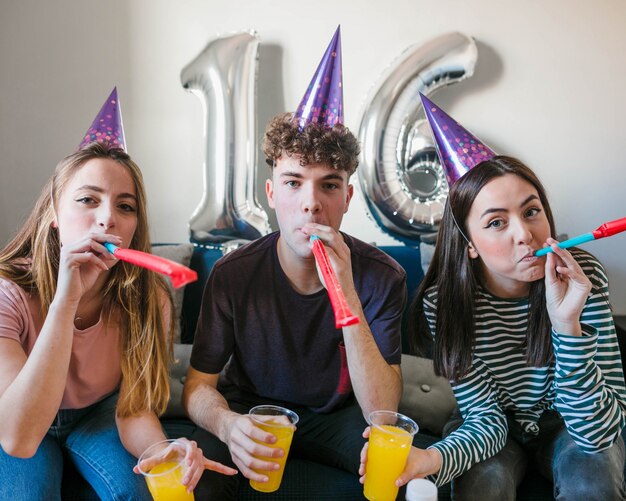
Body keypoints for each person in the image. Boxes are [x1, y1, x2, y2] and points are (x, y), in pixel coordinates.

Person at [359, 95, 626, 500]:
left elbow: (598, 434)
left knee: (593, 480)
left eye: (531, 211)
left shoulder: (582, 278)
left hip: (570, 426)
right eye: (497, 222)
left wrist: (567, 327)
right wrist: (430, 460)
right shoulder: (444, 305)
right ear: (469, 245)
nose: (524, 234)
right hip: (493, 428)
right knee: (484, 485)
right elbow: (485, 421)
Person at [183, 27, 407, 499]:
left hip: (337, 418)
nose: (310, 204)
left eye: (328, 185)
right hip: (252, 411)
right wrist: (226, 425)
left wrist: (344, 291)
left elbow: (382, 410)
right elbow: (197, 388)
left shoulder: (382, 277)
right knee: (197, 484)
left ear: (347, 198)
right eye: (292, 182)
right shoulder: (233, 274)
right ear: (271, 195)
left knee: (401, 475)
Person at [0, 90, 235, 500]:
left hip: (98, 414)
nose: (107, 217)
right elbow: (19, 438)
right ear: (54, 213)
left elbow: (135, 408)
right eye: (88, 199)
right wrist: (65, 300)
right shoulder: (9, 293)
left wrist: (164, 450)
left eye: (124, 207)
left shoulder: (150, 297)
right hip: (20, 420)